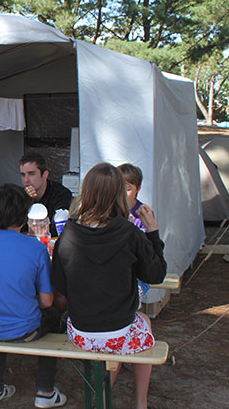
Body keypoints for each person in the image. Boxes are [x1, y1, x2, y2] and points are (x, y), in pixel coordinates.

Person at [51, 162, 166, 409]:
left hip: (81, 332)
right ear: (118, 195)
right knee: (142, 324)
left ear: (86, 192)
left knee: (127, 329)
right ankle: (140, 403)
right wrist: (153, 231)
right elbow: (156, 274)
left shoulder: (68, 232)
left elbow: (58, 284)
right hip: (119, 330)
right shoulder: (129, 232)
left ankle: (103, 399)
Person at [0, 184, 67, 408]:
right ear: (25, 216)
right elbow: (47, 302)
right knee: (52, 316)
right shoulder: (36, 249)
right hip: (24, 328)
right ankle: (45, 390)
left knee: (0, 309)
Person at [118, 163, 153, 303]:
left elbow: (146, 253)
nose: (122, 194)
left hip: (136, 274)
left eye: (127, 189)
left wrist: (131, 231)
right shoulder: (110, 213)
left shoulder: (142, 214)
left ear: (138, 189)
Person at [19, 151, 72, 237]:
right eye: (23, 175)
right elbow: (13, 227)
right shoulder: (20, 196)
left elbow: (60, 227)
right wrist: (26, 201)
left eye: (31, 174)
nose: (26, 180)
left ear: (45, 175)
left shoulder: (60, 194)